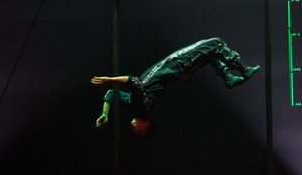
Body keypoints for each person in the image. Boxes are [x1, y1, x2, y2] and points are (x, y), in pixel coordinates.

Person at [92, 37, 259, 138]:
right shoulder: (143, 108)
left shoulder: (133, 105)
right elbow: (134, 81)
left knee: (209, 52)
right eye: (140, 132)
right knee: (215, 44)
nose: (136, 131)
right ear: (147, 124)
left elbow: (112, 94)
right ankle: (243, 69)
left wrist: (105, 114)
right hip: (178, 67)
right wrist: (109, 79)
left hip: (174, 66)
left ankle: (228, 77)